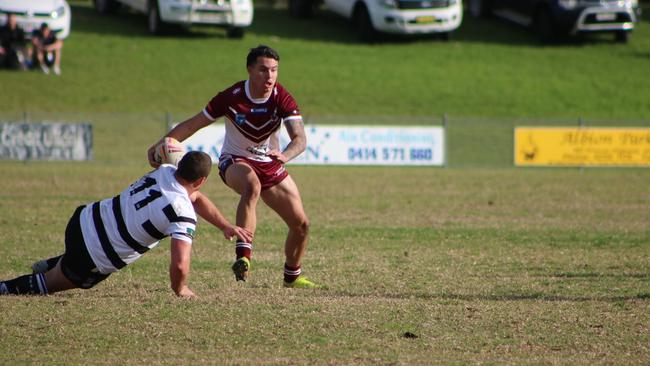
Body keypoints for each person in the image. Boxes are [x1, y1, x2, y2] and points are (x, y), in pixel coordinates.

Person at [147, 45, 319, 289]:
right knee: (252, 185)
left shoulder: (282, 97)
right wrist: (160, 144)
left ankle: (292, 277)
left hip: (271, 162)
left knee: (301, 225)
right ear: (249, 69)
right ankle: (243, 259)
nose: (269, 76)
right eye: (263, 70)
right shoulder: (231, 97)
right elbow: (193, 124)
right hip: (235, 161)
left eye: (274, 70)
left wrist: (284, 155)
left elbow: (300, 139)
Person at [0, 151, 253, 298]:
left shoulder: (164, 171)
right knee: (51, 282)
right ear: (201, 180)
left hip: (83, 219)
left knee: (77, 255)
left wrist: (224, 225)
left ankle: (55, 263)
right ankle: (7, 287)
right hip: (94, 253)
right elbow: (179, 263)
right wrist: (181, 288)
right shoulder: (182, 214)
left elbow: (194, 197)